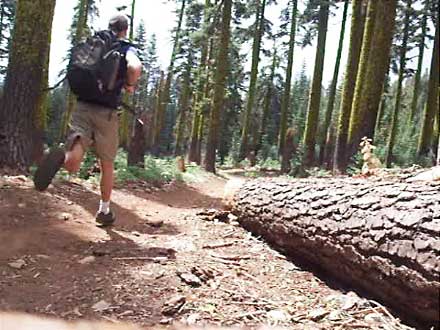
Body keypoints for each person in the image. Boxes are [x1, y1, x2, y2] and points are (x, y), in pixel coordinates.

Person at [33, 14, 142, 226]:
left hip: (82, 104)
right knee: (107, 164)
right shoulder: (124, 47)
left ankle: (61, 158)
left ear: (109, 26)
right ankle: (104, 211)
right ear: (125, 29)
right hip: (107, 113)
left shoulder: (94, 42)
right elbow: (135, 68)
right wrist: (130, 84)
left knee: (74, 159)